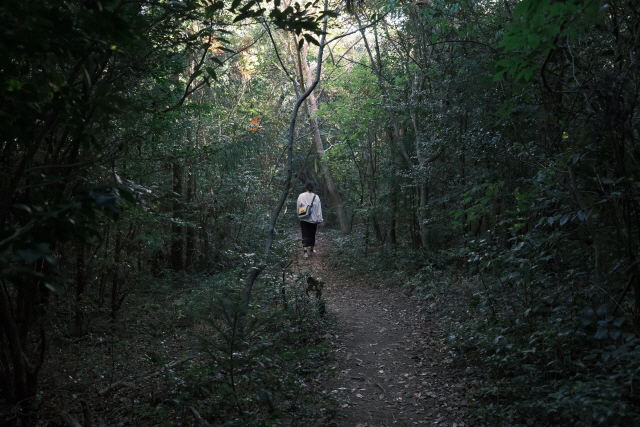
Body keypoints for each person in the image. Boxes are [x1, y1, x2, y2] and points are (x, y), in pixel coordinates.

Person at [297, 180, 323, 258]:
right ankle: (311, 250)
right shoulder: (316, 197)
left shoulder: (301, 196)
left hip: (303, 218)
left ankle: (305, 252)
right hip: (313, 220)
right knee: (312, 235)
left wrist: (299, 215)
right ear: (313, 188)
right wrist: (319, 219)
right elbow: (319, 209)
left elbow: (298, 207)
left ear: (305, 187)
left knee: (304, 234)